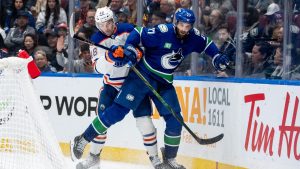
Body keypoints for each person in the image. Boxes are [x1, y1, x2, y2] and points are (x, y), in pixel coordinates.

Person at [70, 8, 229, 169]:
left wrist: (217, 56)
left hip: (163, 82)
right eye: (181, 25)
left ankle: (169, 159)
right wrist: (121, 53)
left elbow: (207, 43)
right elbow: (137, 36)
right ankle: (84, 140)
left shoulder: (193, 37)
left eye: (188, 26)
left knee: (175, 120)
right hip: (140, 77)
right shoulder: (162, 31)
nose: (184, 29)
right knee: (116, 113)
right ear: (175, 23)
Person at [72, 7, 165, 169]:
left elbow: (144, 48)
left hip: (134, 83)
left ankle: (155, 159)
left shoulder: (128, 29)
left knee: (145, 123)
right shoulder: (96, 39)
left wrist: (134, 54)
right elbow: (98, 67)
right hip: (112, 86)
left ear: (113, 19)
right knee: (102, 121)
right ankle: (94, 157)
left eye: (108, 23)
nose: (106, 27)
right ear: (97, 25)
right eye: (102, 24)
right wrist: (111, 56)